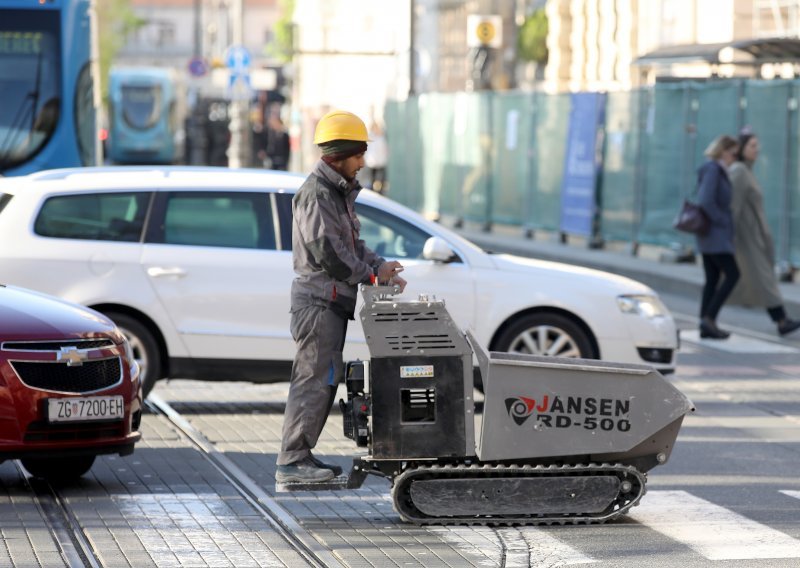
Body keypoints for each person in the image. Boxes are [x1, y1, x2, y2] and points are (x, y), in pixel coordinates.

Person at [276, 109, 407, 483]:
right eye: (358, 154)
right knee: (313, 379)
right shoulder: (317, 195)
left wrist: (379, 266)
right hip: (318, 304)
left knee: (324, 380)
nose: (364, 162)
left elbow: (351, 245)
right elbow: (328, 254)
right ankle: (292, 461)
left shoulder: (335, 193)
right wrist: (369, 275)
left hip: (330, 303)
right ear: (340, 154)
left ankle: (301, 456)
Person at [728, 131, 800, 336]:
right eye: (752, 145)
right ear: (741, 149)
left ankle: (708, 317)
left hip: (756, 236)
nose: (756, 149)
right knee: (765, 279)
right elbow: (733, 206)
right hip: (746, 237)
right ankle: (781, 320)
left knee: (761, 278)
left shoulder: (748, 171)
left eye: (757, 146)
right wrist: (730, 238)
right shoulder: (739, 171)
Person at [695, 134, 740, 339]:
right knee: (733, 274)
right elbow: (705, 200)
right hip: (715, 235)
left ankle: (705, 323)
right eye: (733, 154)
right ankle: (709, 318)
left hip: (712, 235)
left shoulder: (717, 170)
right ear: (723, 151)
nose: (734, 158)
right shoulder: (713, 169)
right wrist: (721, 220)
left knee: (712, 278)